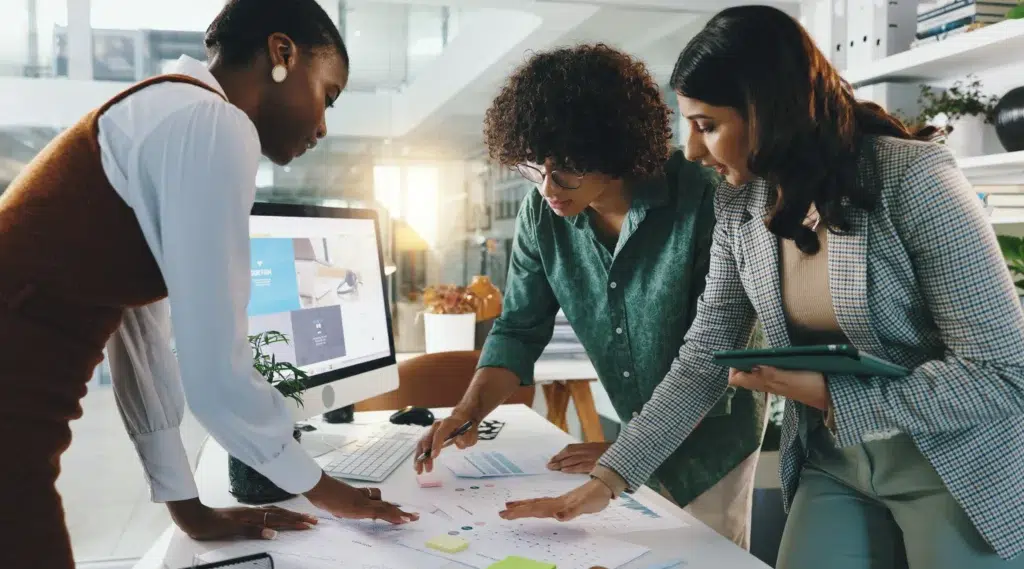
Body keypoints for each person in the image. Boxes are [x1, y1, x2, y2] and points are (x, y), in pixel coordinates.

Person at [496, 6, 1024, 569]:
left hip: (951, 459)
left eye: (707, 126)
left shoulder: (913, 178)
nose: (693, 152)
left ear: (771, 113)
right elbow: (700, 362)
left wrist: (825, 393)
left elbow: (1003, 375)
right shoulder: (739, 204)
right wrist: (606, 482)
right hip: (834, 461)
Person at [0, 1, 417, 567]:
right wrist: (322, 488)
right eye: (328, 95)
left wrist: (188, 509)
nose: (322, 126)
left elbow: (141, 333)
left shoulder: (171, 110)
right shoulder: (212, 122)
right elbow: (216, 372)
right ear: (282, 53)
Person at [414, 43, 768, 549]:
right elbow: (518, 328)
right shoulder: (542, 216)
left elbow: (708, 367)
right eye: (535, 168)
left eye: (569, 169)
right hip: (631, 434)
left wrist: (627, 452)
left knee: (698, 557)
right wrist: (466, 412)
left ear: (614, 148)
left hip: (711, 443)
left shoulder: (705, 201)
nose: (549, 189)